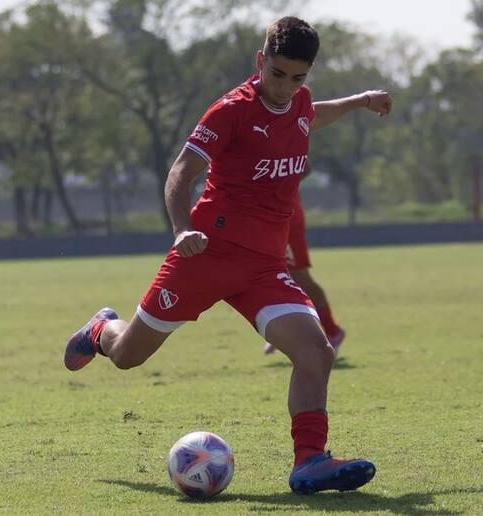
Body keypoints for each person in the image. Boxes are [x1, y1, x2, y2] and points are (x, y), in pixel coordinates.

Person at [64, 16, 392, 495]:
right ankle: (100, 330)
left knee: (315, 352)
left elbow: (312, 115)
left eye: (297, 77)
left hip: (263, 267)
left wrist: (360, 101)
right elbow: (181, 172)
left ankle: (309, 461)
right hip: (206, 254)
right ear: (260, 61)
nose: (285, 87)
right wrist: (182, 228)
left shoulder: (299, 101)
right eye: (277, 74)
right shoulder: (230, 111)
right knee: (128, 356)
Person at [263, 168, 345, 356]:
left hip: (285, 217)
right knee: (268, 275)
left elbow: (304, 167)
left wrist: (276, 188)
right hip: (262, 218)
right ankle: (286, 330)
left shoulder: (282, 147)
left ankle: (333, 330)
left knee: (300, 277)